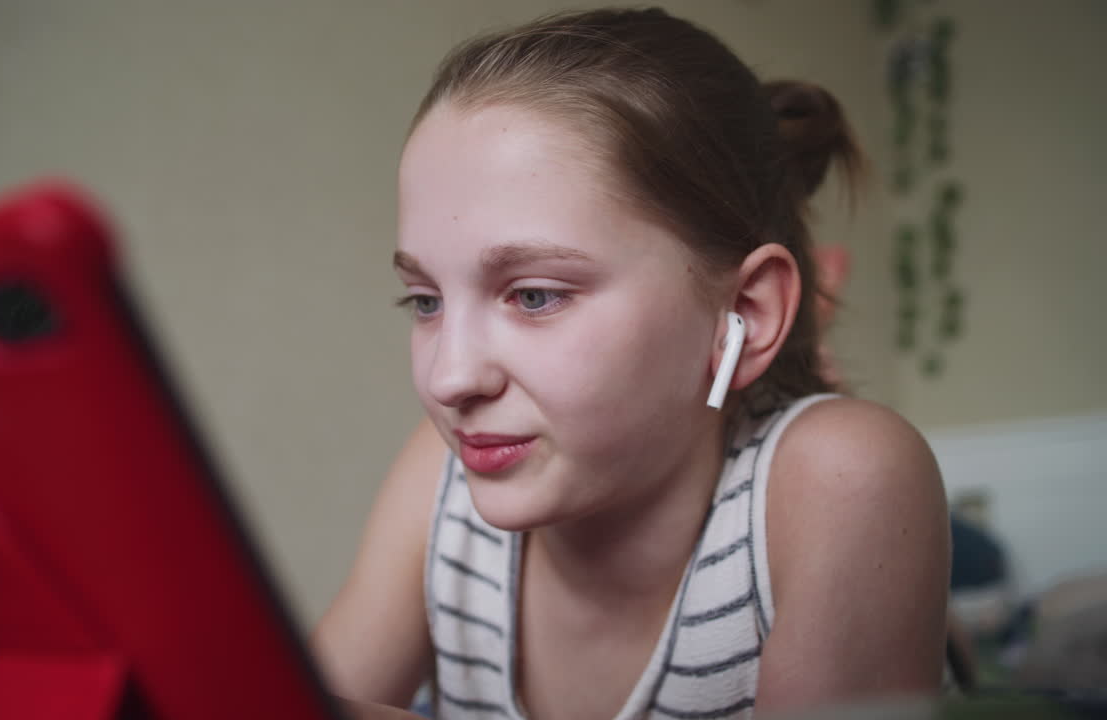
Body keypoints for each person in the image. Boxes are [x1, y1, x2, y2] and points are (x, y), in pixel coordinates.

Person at [312, 8, 950, 719]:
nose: (448, 379)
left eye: (534, 295)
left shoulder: (846, 474)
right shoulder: (441, 482)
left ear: (745, 315)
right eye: (425, 302)